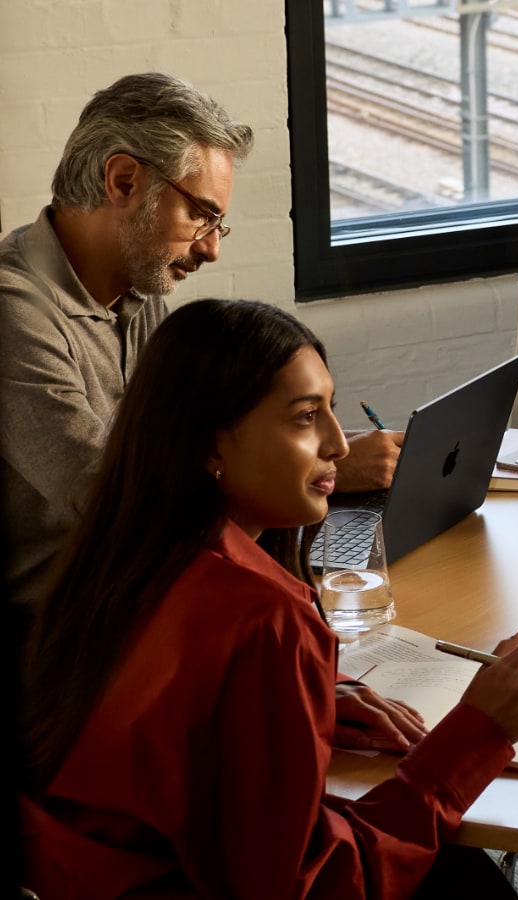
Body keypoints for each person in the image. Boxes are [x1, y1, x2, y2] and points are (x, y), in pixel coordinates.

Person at [17, 299, 518, 897]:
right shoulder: (263, 620)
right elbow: (314, 886)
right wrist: (480, 730)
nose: (339, 445)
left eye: (330, 409)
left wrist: (318, 693)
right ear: (210, 446)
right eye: (304, 418)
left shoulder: (117, 556)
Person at [0, 72, 402, 620]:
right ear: (122, 181)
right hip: (68, 640)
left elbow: (182, 444)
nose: (211, 248)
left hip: (155, 591)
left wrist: (304, 440)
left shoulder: (135, 289)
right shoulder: (12, 312)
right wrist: (313, 469)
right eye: (201, 214)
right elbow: (110, 496)